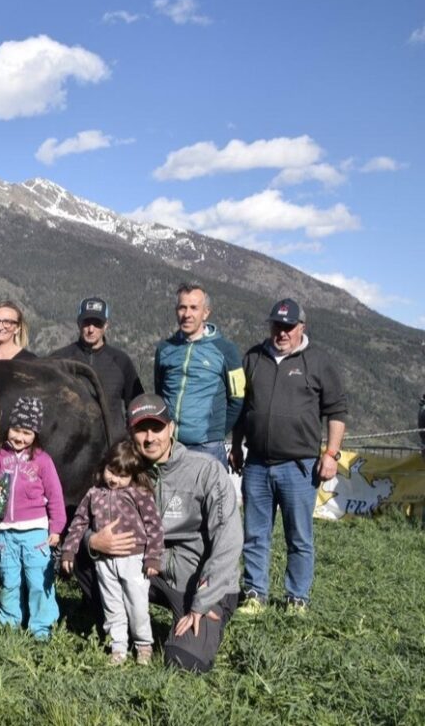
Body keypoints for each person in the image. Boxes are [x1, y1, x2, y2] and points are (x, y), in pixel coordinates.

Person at [71, 394, 242, 673]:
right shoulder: (123, 469)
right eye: (141, 429)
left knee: (185, 662)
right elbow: (87, 513)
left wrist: (205, 600)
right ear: (130, 433)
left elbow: (229, 540)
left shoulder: (206, 471)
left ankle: (202, 620)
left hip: (197, 580)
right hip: (146, 569)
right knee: (83, 558)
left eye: (157, 427)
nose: (150, 438)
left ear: (171, 428)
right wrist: (93, 540)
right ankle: (118, 627)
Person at [229, 298, 348, 614]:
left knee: (299, 536)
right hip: (255, 464)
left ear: (301, 328)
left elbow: (336, 411)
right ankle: (255, 593)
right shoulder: (253, 357)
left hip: (299, 467)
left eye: (288, 327)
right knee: (255, 533)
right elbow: (241, 408)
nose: (281, 332)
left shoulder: (318, 362)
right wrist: (236, 445)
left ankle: (297, 598)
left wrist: (331, 454)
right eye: (276, 326)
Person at [61, 439, 164, 665]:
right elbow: (79, 522)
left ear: (132, 476)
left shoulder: (139, 494)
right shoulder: (93, 493)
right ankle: (118, 647)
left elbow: (154, 526)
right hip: (104, 562)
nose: (114, 479)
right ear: (104, 466)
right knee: (112, 604)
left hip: (134, 560)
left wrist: (153, 556)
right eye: (111, 471)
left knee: (137, 605)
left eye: (122, 475)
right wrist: (68, 551)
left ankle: (143, 645)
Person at [0, 397, 65, 640]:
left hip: (35, 534)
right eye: (16, 430)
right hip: (5, 533)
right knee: (9, 580)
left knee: (38, 581)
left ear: (35, 434)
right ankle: (9, 623)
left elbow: (55, 496)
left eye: (27, 432)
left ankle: (42, 628)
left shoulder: (42, 461)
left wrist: (56, 528)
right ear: (7, 428)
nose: (19, 437)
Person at [154, 283, 244, 467]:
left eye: (194, 308)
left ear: (206, 312)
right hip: (170, 447)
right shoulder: (165, 349)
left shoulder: (226, 350)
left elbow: (238, 397)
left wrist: (216, 432)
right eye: (182, 307)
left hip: (208, 448)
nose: (187, 314)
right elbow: (160, 392)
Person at [48, 297, 144, 440]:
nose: (91, 329)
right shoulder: (59, 359)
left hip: (112, 447)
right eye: (86, 322)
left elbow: (137, 404)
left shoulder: (121, 361)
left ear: (106, 326)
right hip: (69, 448)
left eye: (97, 323)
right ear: (78, 323)